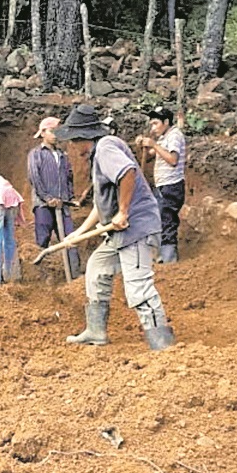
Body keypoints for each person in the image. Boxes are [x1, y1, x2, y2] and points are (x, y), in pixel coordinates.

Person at [57, 105, 175, 351]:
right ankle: (96, 331)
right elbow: (102, 205)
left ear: (83, 138)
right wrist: (78, 233)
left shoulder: (106, 147)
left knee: (138, 286)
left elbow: (127, 172)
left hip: (137, 227)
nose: (72, 146)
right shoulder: (100, 153)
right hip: (121, 231)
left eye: (72, 141)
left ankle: (162, 344)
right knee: (97, 267)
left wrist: (122, 211)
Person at [26, 116, 79, 275]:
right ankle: (40, 275)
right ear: (43, 133)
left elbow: (69, 177)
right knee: (42, 239)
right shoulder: (36, 154)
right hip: (43, 205)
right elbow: (34, 178)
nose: (56, 135)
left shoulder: (62, 155)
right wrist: (47, 198)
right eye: (52, 131)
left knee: (71, 239)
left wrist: (68, 198)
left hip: (62, 205)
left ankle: (75, 275)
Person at [134, 105, 186, 264]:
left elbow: (173, 160)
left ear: (166, 122)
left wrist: (154, 145)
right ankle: (161, 257)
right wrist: (143, 145)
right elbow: (150, 156)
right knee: (160, 220)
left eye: (155, 123)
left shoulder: (174, 136)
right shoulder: (164, 137)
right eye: (151, 124)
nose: (153, 127)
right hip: (162, 186)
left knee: (167, 221)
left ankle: (169, 260)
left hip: (171, 186)